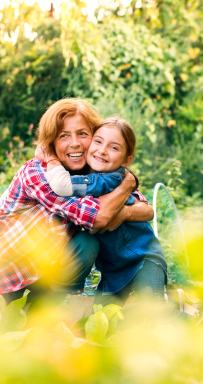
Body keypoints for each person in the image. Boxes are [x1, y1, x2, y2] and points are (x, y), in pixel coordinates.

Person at [0, 99, 154, 304]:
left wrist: (127, 196)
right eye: (63, 136)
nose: (74, 143)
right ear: (51, 142)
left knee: (86, 244)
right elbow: (99, 217)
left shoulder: (91, 174)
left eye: (82, 134)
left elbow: (146, 208)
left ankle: (43, 310)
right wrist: (126, 185)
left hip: (41, 274)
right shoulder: (39, 173)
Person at [40, 117, 167, 307]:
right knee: (101, 324)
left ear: (126, 160)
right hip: (113, 271)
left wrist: (50, 156)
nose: (102, 150)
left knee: (153, 312)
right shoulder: (88, 174)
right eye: (98, 141)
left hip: (143, 260)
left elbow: (63, 185)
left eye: (114, 148)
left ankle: (193, 325)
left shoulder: (112, 178)